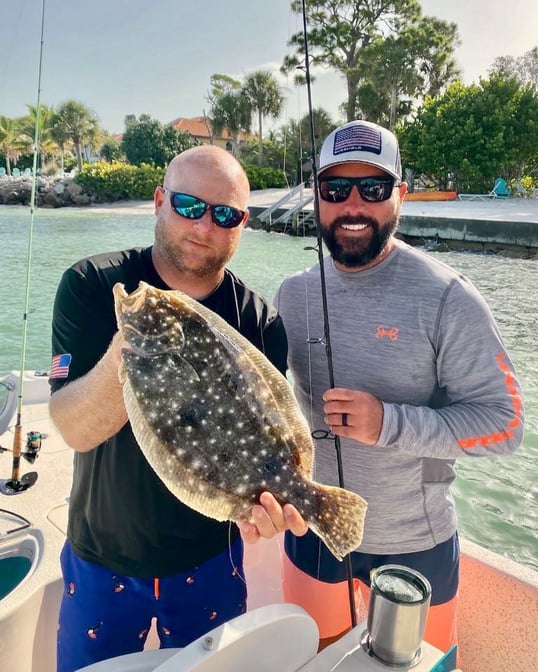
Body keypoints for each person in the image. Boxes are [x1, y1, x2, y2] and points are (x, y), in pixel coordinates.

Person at [271, 120, 525, 657]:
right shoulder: (291, 295)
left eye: (375, 188)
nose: (353, 205)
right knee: (313, 662)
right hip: (311, 530)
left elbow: (505, 425)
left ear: (400, 196)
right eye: (336, 190)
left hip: (415, 544)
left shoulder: (448, 297)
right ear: (316, 197)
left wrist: (389, 424)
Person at [48, 145, 305, 672]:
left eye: (225, 214)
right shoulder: (92, 286)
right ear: (160, 200)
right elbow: (74, 428)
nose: (205, 226)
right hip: (101, 560)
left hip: (210, 563)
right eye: (190, 206)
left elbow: (267, 444)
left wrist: (267, 511)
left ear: (242, 225)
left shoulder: (261, 324)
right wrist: (131, 348)